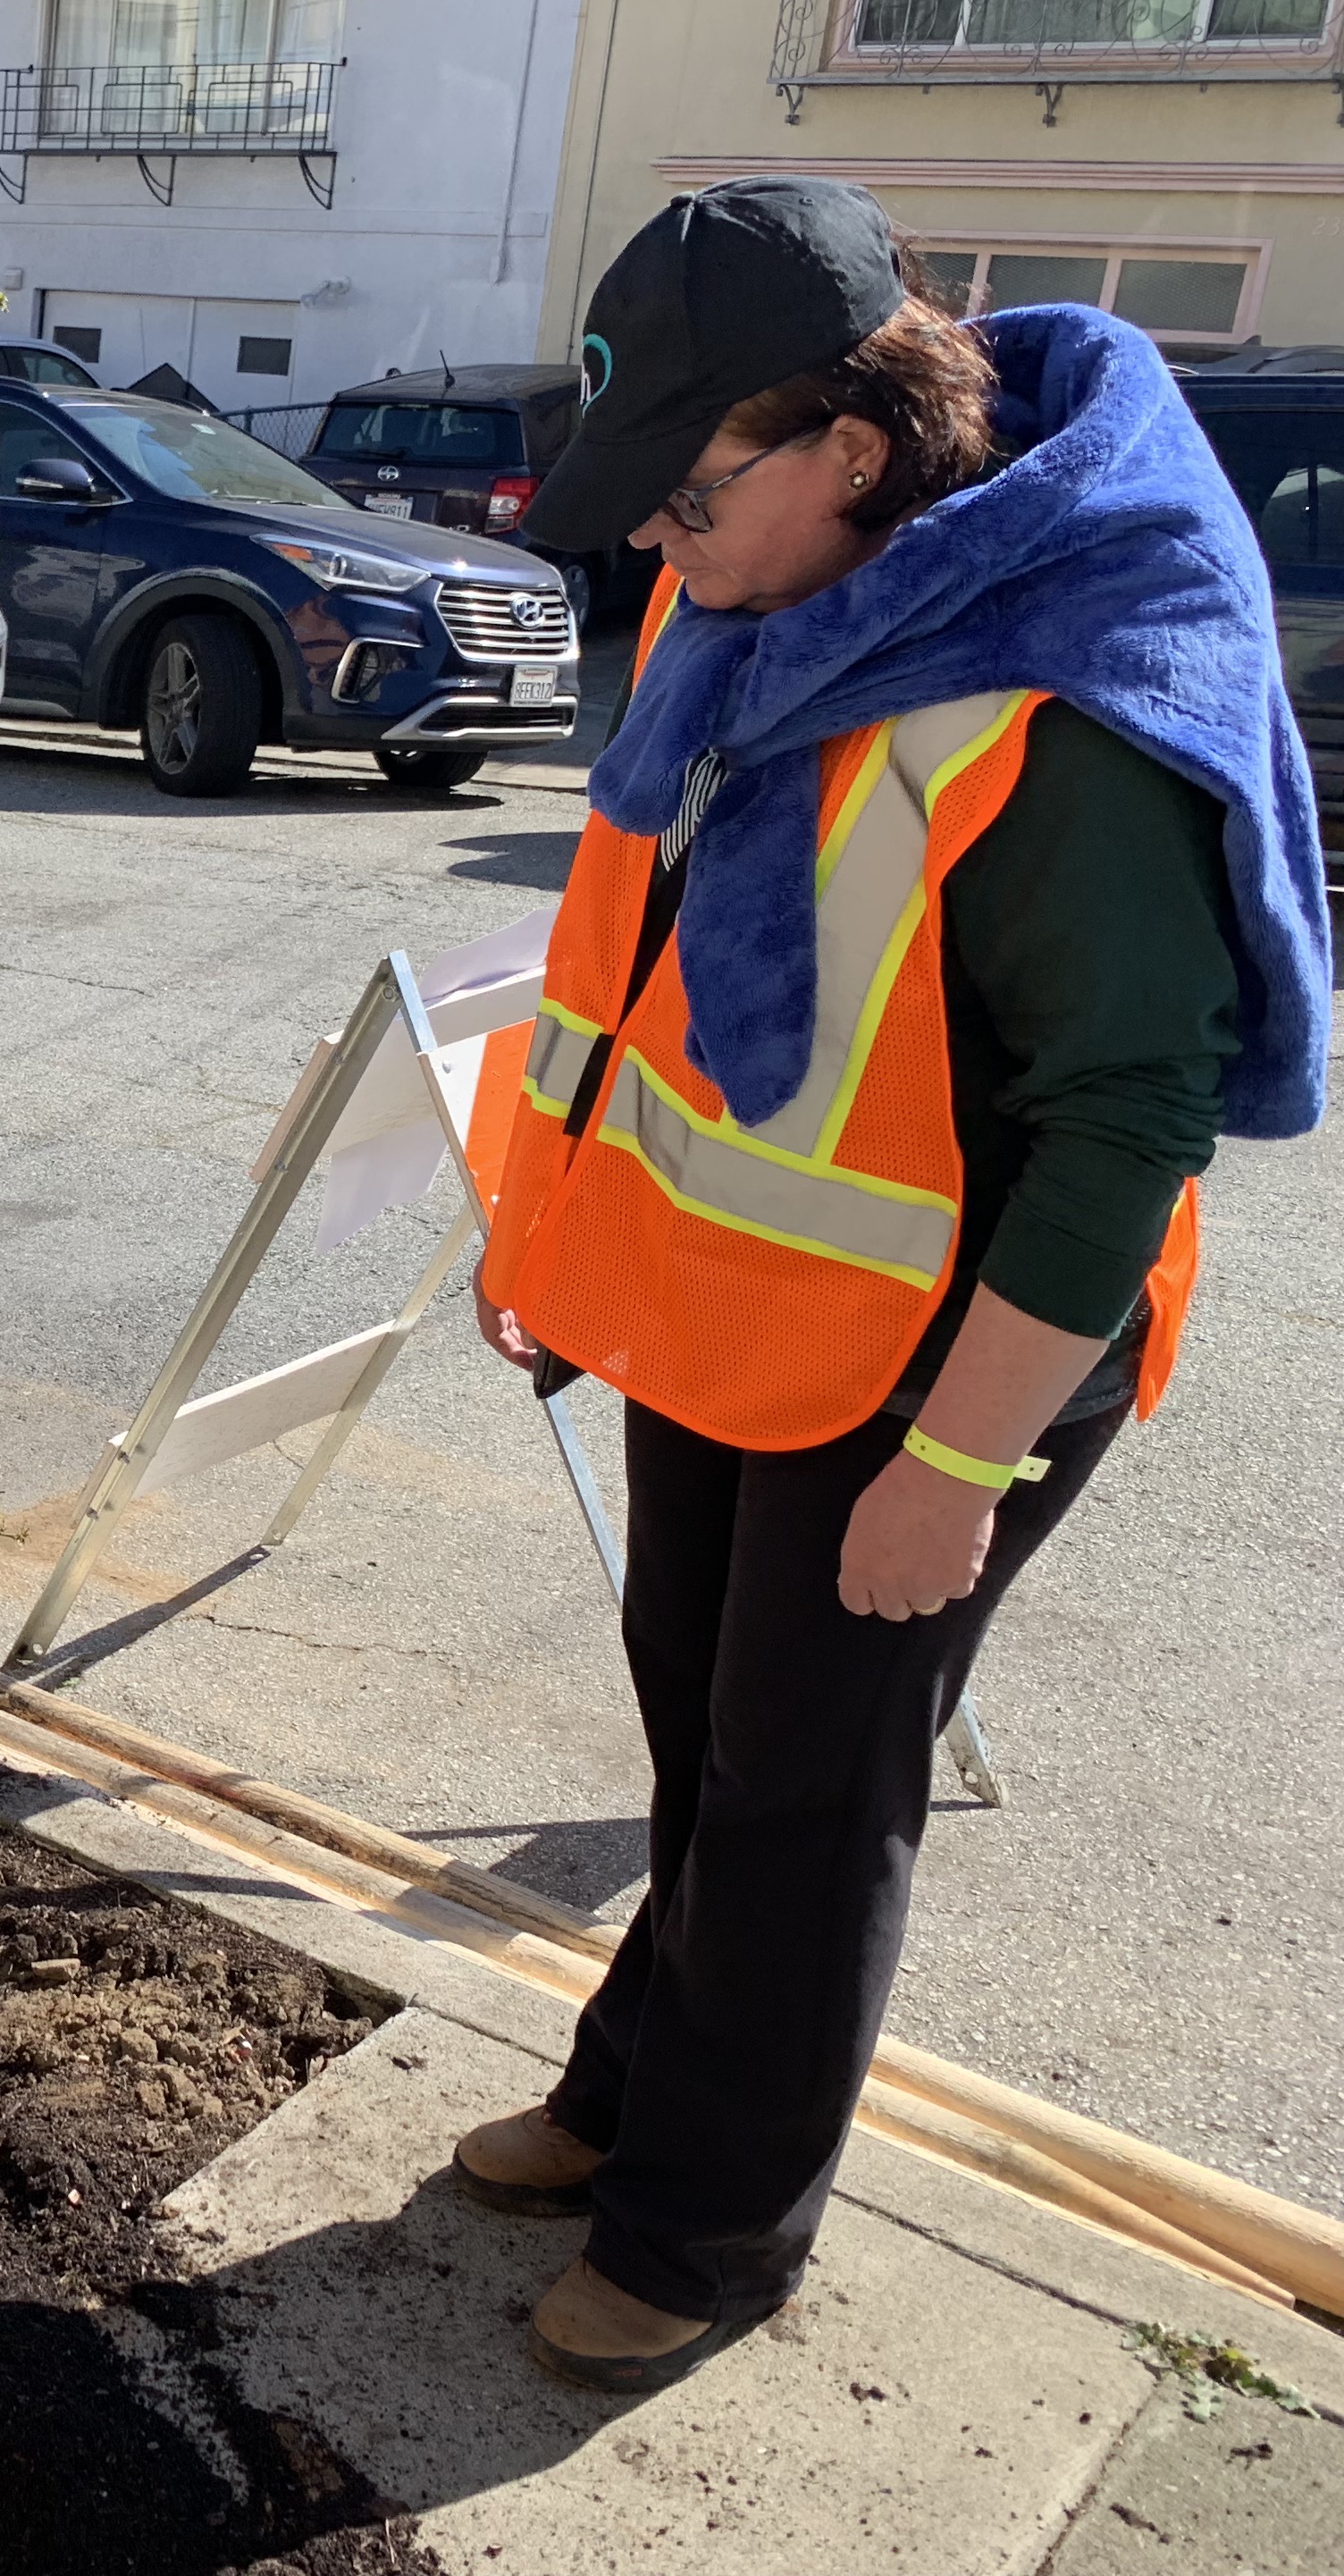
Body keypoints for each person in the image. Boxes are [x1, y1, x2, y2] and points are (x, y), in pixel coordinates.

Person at [458, 178, 1325, 2392]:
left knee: (813, 1783)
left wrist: (957, 1459)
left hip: (965, 1351)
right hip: (731, 1306)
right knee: (706, 1729)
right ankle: (637, 2080)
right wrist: (553, 1246)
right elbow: (643, 970)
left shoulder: (1073, 691)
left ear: (854, 442)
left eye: (692, 485)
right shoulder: (757, 581)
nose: (654, 537)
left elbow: (1127, 1130)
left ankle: (711, 2229)